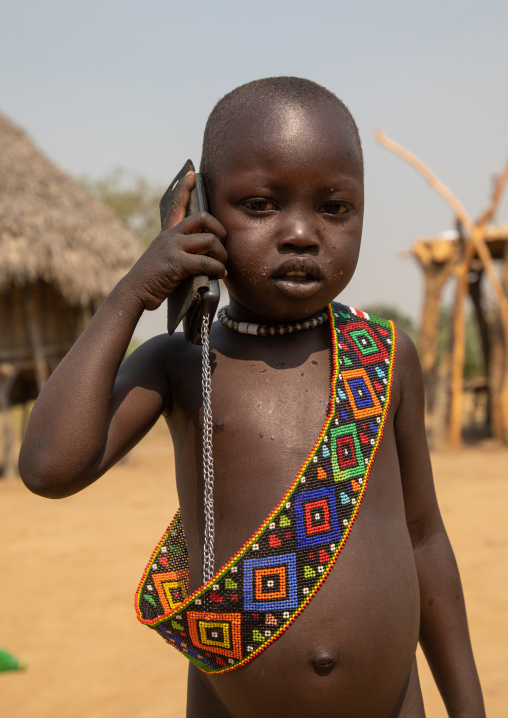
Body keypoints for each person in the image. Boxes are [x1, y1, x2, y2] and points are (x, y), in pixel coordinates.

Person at [19, 77, 485, 718]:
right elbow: (47, 467)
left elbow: (424, 537)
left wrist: (471, 710)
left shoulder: (384, 357)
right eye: (261, 205)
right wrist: (134, 292)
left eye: (335, 208)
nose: (301, 233)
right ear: (201, 210)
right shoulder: (184, 365)